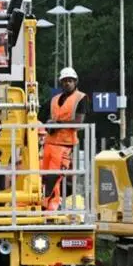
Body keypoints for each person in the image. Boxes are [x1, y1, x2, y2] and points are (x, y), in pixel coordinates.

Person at [40, 67, 89, 211]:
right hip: (50, 142)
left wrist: (58, 124)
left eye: (70, 81)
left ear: (75, 82)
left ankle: (46, 200)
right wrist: (48, 123)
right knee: (45, 175)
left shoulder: (81, 98)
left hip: (66, 144)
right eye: (65, 81)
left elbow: (79, 122)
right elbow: (41, 115)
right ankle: (50, 206)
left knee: (55, 176)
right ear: (61, 82)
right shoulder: (54, 99)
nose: (67, 83)